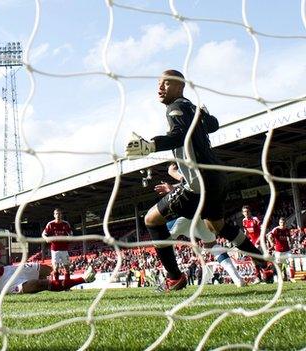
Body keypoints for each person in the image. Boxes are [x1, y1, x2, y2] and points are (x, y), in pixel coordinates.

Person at [125, 69, 272, 292]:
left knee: (151, 220)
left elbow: (179, 135)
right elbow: (213, 125)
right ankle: (261, 260)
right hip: (216, 177)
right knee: (217, 225)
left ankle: (174, 277)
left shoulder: (177, 107)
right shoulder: (192, 108)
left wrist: (150, 146)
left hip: (199, 183)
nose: (160, 87)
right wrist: (204, 114)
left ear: (180, 85)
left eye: (166, 83)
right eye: (159, 83)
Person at [156, 163, 245, 287]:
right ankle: (237, 279)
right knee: (212, 245)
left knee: (160, 240)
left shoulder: (183, 170)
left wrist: (172, 181)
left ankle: (173, 278)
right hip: (201, 213)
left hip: (185, 214)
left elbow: (185, 185)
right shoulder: (205, 170)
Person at [0, 235, 95, 296]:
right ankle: (83, 279)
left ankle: (65, 283)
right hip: (1, 286)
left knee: (47, 269)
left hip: (7, 270)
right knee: (40, 284)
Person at [41, 208, 73, 279]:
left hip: (64, 249)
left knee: (67, 267)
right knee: (55, 267)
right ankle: (56, 284)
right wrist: (46, 238)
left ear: (61, 215)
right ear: (54, 215)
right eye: (56, 214)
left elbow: (71, 234)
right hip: (55, 249)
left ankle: (67, 285)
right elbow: (43, 234)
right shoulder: (50, 224)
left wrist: (69, 237)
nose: (58, 215)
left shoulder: (66, 224)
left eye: (59, 214)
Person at [267, 217, 292, 281]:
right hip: (278, 250)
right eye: (281, 222)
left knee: (291, 262)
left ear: (286, 223)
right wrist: (272, 244)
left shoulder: (287, 230)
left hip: (287, 250)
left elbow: (289, 237)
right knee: (279, 265)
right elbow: (269, 236)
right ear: (279, 223)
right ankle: (280, 278)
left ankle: (290, 277)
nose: (282, 224)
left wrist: (291, 242)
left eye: (284, 223)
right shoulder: (276, 229)